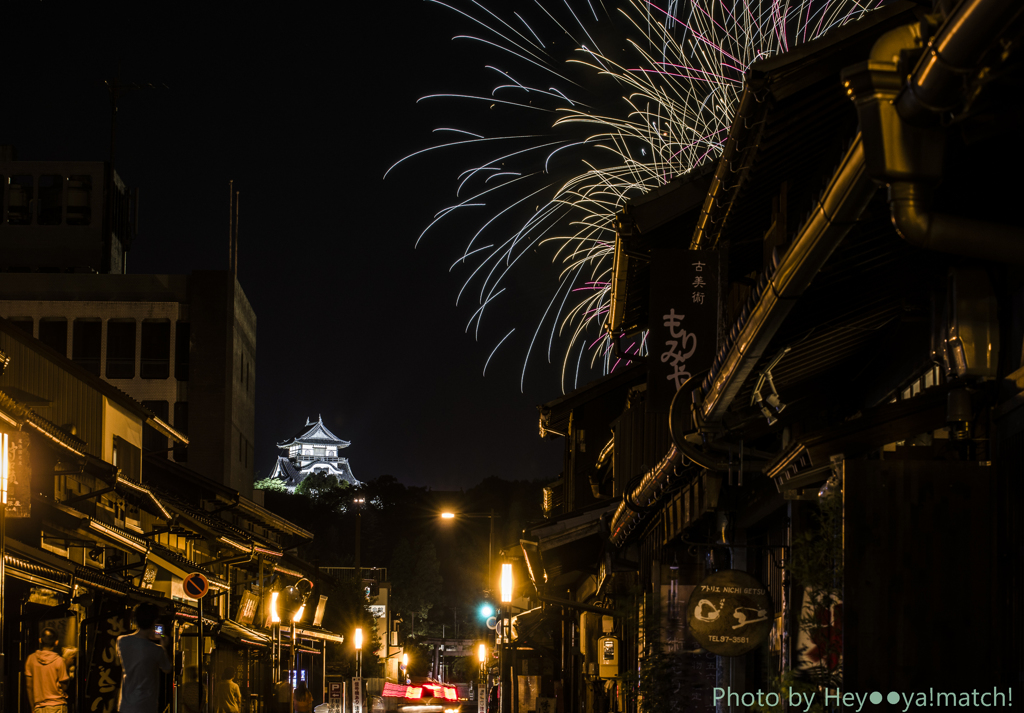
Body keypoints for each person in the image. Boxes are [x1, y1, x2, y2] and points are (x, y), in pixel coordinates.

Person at [115, 603, 172, 712]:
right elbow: (167, 668)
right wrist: (163, 644)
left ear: (136, 620)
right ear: (154, 622)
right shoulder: (156, 649)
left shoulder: (122, 641)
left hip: (126, 705)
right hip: (146, 705)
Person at [25, 627, 71, 712]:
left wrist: (32, 707)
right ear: (56, 642)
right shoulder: (59, 660)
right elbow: (64, 687)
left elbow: (29, 686)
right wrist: (66, 666)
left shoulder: (31, 659)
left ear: (40, 640)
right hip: (57, 707)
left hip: (39, 708)